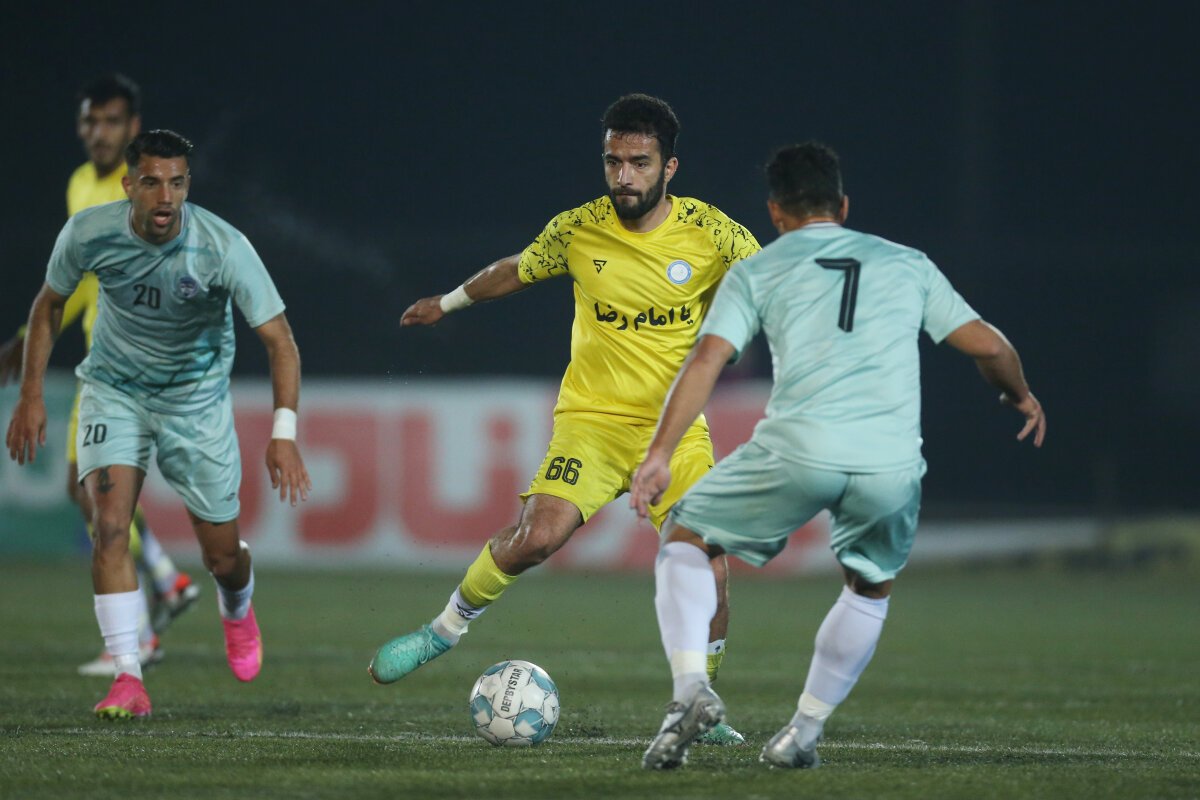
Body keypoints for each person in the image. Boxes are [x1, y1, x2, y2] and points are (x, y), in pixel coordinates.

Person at [631, 142, 1046, 770]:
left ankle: (690, 691)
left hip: (800, 448)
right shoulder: (907, 263)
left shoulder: (759, 269)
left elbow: (707, 359)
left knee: (685, 540)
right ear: (844, 206)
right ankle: (802, 734)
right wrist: (1019, 395)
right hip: (890, 461)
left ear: (775, 212)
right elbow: (990, 347)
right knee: (870, 587)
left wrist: (661, 451)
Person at [368, 94, 761, 745]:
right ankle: (442, 632)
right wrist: (449, 302)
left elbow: (770, 282)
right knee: (536, 538)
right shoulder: (579, 229)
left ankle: (699, 702)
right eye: (613, 161)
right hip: (591, 424)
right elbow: (517, 270)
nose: (623, 176)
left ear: (669, 168)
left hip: (674, 431)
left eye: (639, 163)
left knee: (710, 568)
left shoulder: (714, 234)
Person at [5, 129, 312, 719]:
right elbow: (49, 304)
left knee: (223, 556)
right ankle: (128, 676)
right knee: (109, 527)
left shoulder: (223, 246)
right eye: (151, 182)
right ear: (128, 186)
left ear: (188, 185)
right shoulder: (89, 232)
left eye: (176, 182)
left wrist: (284, 435)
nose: (165, 196)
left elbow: (281, 342)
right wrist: (31, 395)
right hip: (114, 392)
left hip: (195, 404)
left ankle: (236, 608)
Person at [0, 74, 201, 677]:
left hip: (126, 359)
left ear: (132, 127)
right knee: (84, 489)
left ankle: (144, 625)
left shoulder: (135, 189)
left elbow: (91, 282)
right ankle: (163, 584)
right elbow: (82, 278)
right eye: (90, 120)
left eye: (111, 121)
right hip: (100, 356)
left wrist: (30, 339)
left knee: (97, 495)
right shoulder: (79, 183)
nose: (99, 132)